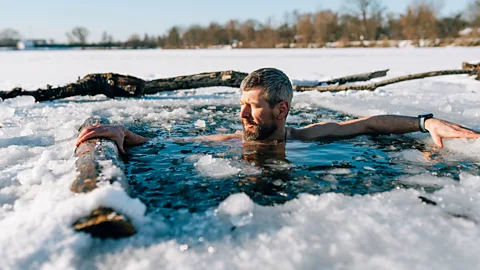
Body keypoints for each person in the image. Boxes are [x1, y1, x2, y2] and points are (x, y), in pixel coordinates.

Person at [76, 68, 480, 153]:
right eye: (241, 107)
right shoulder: (234, 140)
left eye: (251, 109)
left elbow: (370, 122)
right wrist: (126, 135)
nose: (242, 118)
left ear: (281, 109)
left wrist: (425, 121)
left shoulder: (311, 136)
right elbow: (176, 141)